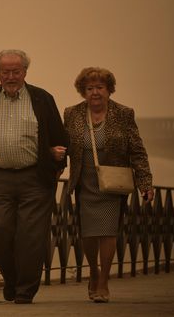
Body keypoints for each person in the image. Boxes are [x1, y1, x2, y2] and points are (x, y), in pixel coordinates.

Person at [0, 49, 68, 304]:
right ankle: (11, 280)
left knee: (31, 237)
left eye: (16, 71)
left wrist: (58, 156)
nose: (11, 76)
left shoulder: (42, 99)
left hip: (36, 178)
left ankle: (24, 291)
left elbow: (60, 137)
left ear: (25, 73)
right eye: (5, 72)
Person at [60, 67, 154, 303]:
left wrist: (145, 182)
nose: (95, 92)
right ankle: (93, 270)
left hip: (113, 182)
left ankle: (103, 281)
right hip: (86, 181)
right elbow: (64, 146)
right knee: (88, 234)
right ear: (83, 91)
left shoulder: (123, 113)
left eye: (100, 87)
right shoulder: (72, 113)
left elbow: (137, 151)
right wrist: (56, 157)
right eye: (89, 88)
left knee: (108, 231)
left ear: (109, 90)